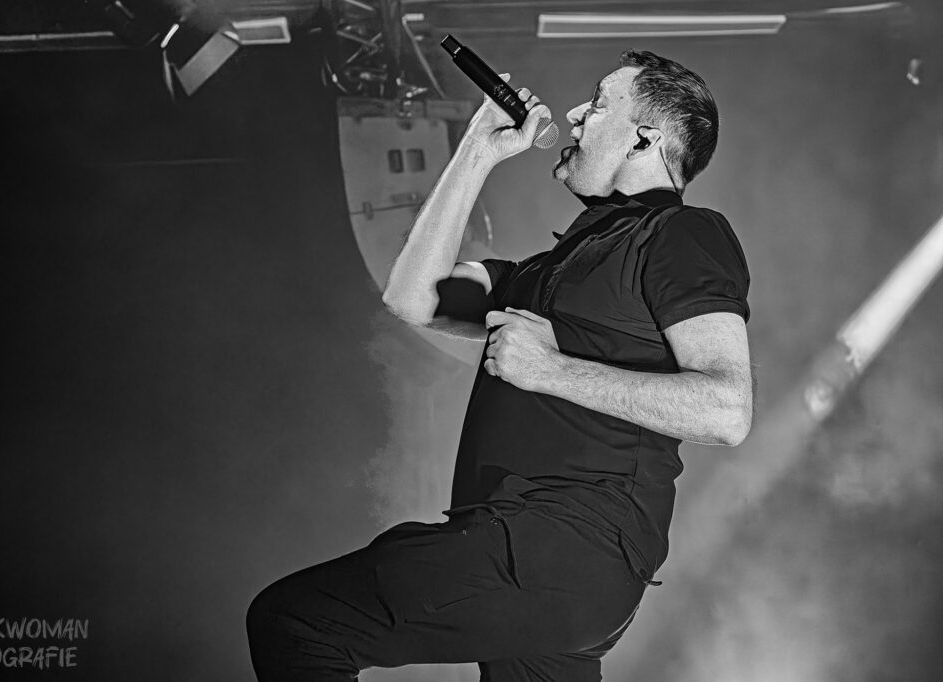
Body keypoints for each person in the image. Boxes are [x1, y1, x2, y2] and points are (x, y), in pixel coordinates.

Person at [247, 50, 753, 681]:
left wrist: (551, 370)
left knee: (297, 623)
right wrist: (477, 151)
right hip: (540, 562)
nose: (575, 114)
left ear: (644, 139)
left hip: (564, 547)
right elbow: (413, 296)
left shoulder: (681, 234)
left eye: (599, 105)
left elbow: (726, 409)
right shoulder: (537, 274)